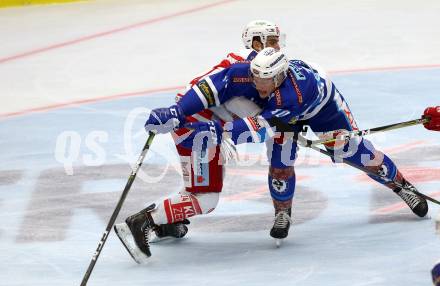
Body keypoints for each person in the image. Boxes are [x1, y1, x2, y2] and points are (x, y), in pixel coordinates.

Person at [114, 43, 439, 262]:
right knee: (281, 163)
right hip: (275, 116)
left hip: (322, 111)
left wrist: (217, 130)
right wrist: (176, 111)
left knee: (359, 153)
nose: (258, 83)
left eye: (265, 79)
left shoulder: (295, 93)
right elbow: (209, 87)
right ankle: (282, 212)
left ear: (280, 76)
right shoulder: (251, 74)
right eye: (255, 76)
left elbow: (260, 127)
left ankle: (403, 187)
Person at [113, 20, 285, 262]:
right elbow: (211, 90)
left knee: (197, 188)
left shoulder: (259, 65)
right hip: (197, 125)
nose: (279, 46)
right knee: (206, 197)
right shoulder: (248, 65)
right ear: (257, 43)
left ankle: (166, 224)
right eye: (273, 40)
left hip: (201, 123)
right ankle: (142, 222)